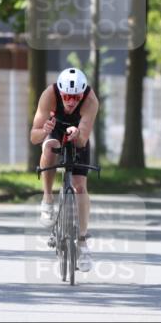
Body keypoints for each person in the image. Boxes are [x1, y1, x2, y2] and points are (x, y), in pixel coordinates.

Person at [30, 67, 100, 273]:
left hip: (78, 133)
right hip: (54, 130)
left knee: (80, 187)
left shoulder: (91, 100)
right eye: (67, 96)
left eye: (75, 97)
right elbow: (33, 137)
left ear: (82, 94)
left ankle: (82, 243)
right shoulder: (49, 95)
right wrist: (45, 130)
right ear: (60, 93)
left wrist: (76, 133)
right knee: (50, 147)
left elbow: (83, 139)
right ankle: (47, 199)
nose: (70, 101)